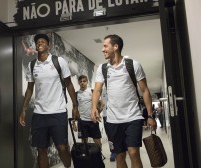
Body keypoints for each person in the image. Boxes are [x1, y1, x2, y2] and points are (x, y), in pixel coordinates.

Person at [91, 34, 157, 168]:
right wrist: (93, 107)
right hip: (113, 119)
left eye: (105, 46)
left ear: (115, 47)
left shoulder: (133, 65)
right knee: (120, 155)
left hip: (133, 116)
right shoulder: (103, 69)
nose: (102, 49)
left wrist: (150, 115)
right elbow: (97, 90)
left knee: (133, 153)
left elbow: (145, 90)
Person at [19, 34, 79, 168]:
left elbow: (69, 84)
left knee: (62, 148)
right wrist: (23, 109)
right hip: (39, 114)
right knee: (41, 150)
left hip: (58, 112)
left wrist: (75, 106)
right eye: (37, 42)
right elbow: (29, 89)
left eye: (42, 41)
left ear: (48, 45)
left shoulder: (59, 61)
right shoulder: (32, 65)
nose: (39, 43)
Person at [75, 75, 102, 148]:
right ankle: (87, 158)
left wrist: (98, 113)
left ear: (87, 82)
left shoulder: (92, 91)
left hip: (92, 120)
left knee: (97, 141)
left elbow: (101, 104)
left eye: (84, 81)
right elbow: (75, 107)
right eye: (80, 81)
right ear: (78, 83)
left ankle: (99, 157)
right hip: (82, 121)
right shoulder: (77, 94)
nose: (82, 83)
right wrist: (74, 120)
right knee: (84, 142)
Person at [101, 86, 117, 162]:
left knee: (119, 134)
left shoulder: (116, 87)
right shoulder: (101, 89)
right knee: (110, 136)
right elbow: (101, 103)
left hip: (116, 115)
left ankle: (122, 149)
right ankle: (113, 152)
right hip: (106, 116)